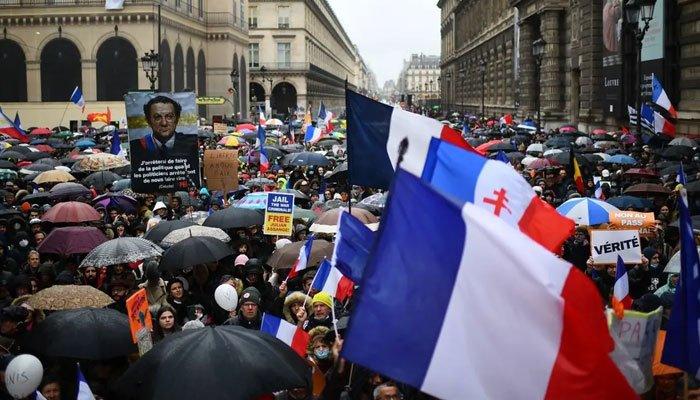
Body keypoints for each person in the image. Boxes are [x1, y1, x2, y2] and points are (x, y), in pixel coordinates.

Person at [129, 95, 198, 163]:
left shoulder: (191, 144)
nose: (164, 123)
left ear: (177, 120)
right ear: (148, 121)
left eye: (169, 117)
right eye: (157, 117)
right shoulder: (135, 147)